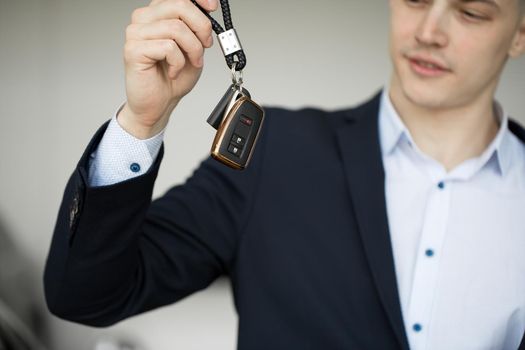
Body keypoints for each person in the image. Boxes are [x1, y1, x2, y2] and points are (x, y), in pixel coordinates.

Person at [44, 0, 525, 349]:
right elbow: (86, 296)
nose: (429, 31)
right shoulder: (273, 153)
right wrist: (141, 123)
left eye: (471, 12)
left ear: (519, 32)